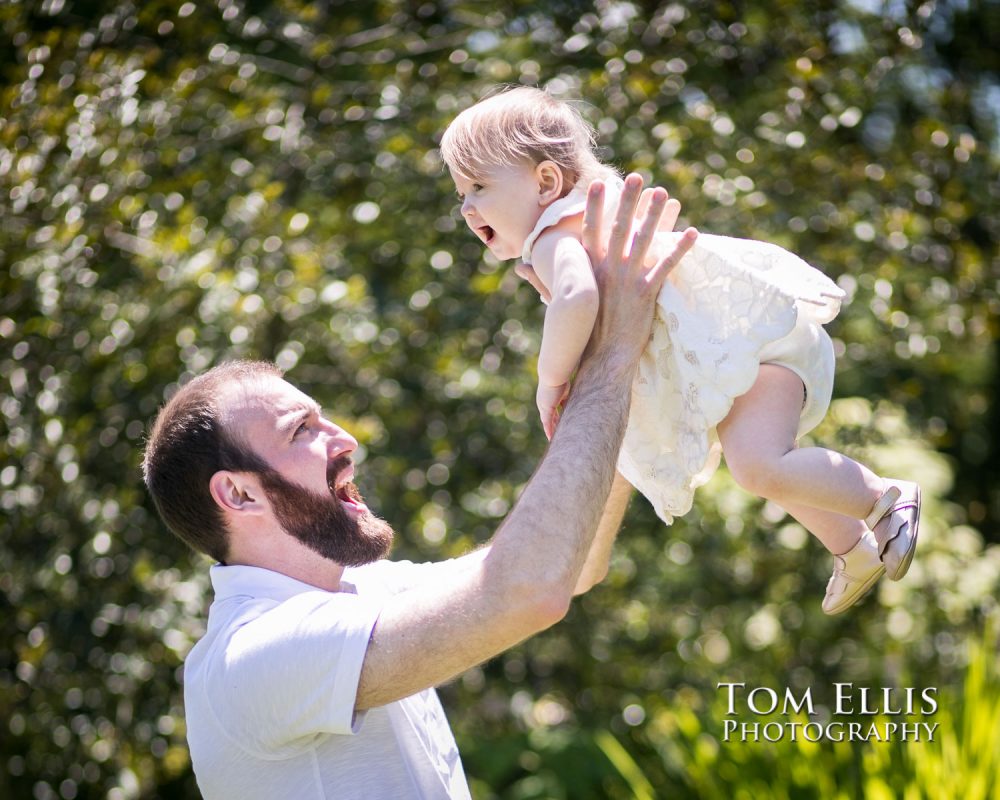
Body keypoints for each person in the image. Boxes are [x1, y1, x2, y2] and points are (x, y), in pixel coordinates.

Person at [142, 175, 697, 799]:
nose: (345, 438)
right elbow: (526, 591)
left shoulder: (365, 591)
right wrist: (611, 356)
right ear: (238, 495)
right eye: (302, 431)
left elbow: (567, 567)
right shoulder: (251, 656)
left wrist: (626, 373)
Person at [439, 85, 920, 616]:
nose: (466, 207)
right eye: (460, 193)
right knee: (759, 464)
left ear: (546, 181)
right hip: (751, 347)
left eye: (478, 186)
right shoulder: (590, 213)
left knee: (759, 467)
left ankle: (883, 497)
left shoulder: (552, 236)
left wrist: (550, 379)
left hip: (755, 347)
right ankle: (853, 546)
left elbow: (576, 296)